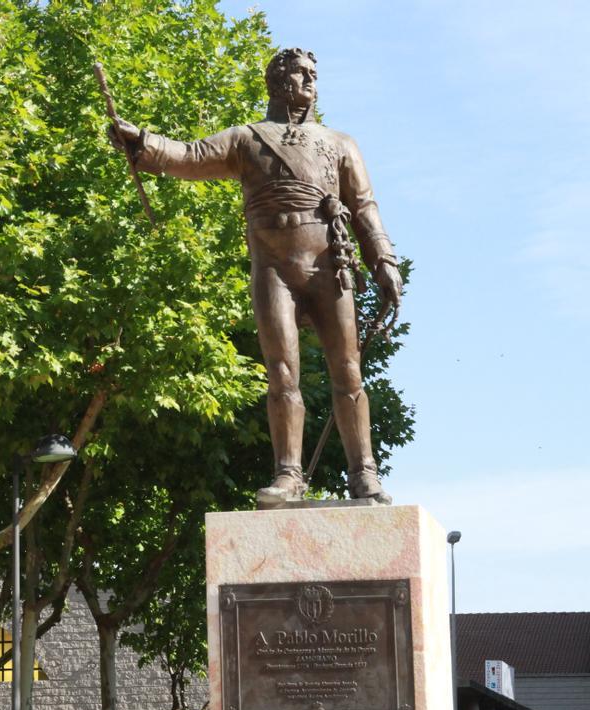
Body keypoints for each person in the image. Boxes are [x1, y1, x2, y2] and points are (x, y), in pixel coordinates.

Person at [108, 47, 403, 505]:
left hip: (330, 268)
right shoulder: (247, 139)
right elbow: (191, 155)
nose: (311, 81)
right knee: (282, 373)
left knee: (348, 371)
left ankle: (364, 472)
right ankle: (288, 475)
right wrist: (142, 142)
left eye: (314, 74)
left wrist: (384, 260)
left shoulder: (340, 143)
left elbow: (364, 207)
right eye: (301, 74)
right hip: (274, 270)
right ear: (277, 82)